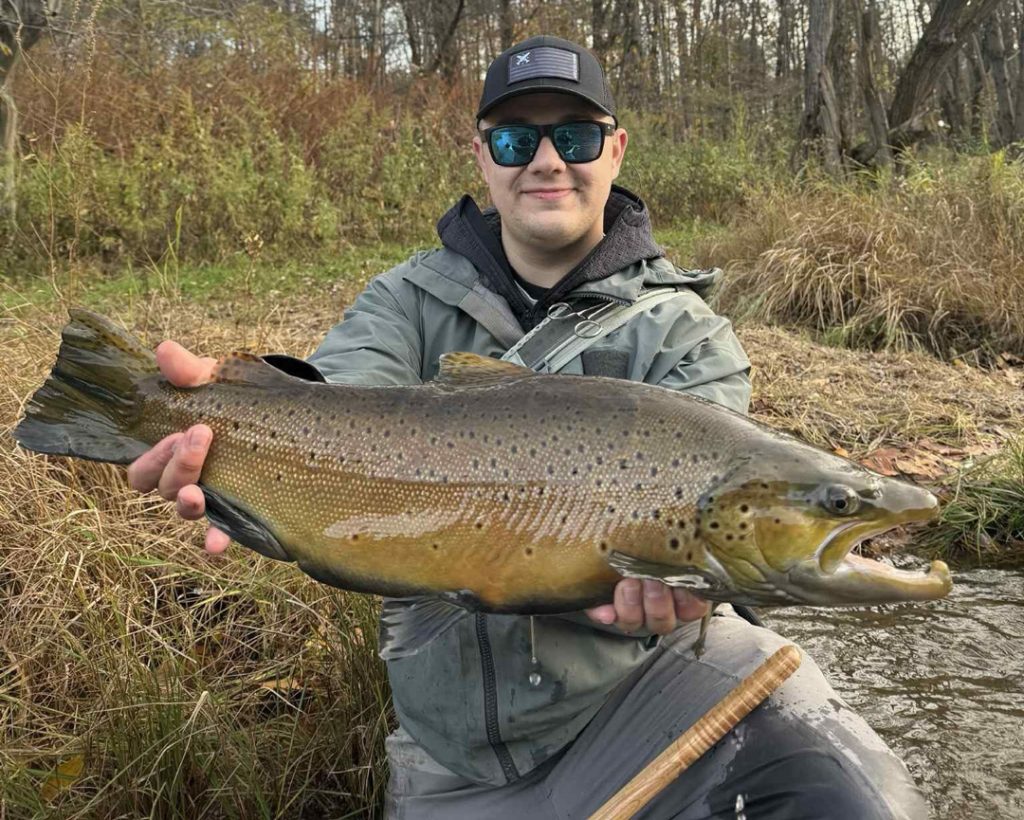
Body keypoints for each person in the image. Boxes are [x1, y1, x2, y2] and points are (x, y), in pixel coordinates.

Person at [127, 35, 928, 819]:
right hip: (455, 752)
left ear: (614, 150)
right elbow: (339, 396)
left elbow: (712, 564)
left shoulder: (686, 334)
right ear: (482, 158)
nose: (547, 161)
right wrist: (218, 420)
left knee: (854, 797)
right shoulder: (404, 302)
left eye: (574, 136)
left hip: (651, 701)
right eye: (515, 139)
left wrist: (681, 588)